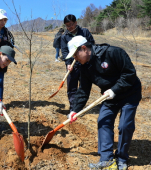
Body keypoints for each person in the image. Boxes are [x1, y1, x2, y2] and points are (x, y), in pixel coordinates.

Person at [66, 36, 142, 170]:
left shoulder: (112, 53)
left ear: (84, 49)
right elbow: (83, 90)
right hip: (109, 97)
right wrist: (74, 110)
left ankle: (122, 158)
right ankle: (106, 160)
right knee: (103, 121)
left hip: (129, 94)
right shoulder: (85, 66)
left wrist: (114, 90)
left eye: (76, 55)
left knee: (125, 126)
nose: (75, 59)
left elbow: (129, 74)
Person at [61, 14, 95, 112]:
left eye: (71, 24)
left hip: (85, 64)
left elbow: (92, 44)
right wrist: (68, 63)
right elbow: (64, 51)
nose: (69, 27)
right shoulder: (64, 37)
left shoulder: (84, 32)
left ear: (76, 23)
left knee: (83, 86)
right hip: (72, 65)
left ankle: (79, 107)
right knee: (72, 87)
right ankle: (73, 109)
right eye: (67, 25)